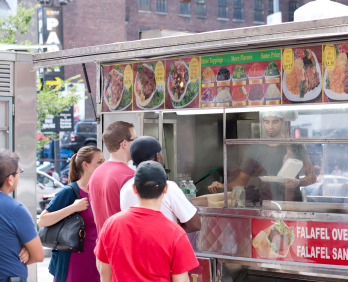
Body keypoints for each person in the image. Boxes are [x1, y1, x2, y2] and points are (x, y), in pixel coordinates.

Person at [95, 161, 199, 282]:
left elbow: (103, 270)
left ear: (134, 188)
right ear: (165, 188)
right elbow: (181, 280)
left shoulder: (111, 224)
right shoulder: (176, 233)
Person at [208, 112, 316, 202]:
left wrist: (297, 182)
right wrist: (222, 186)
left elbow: (312, 177)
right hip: (267, 206)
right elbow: (241, 180)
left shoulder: (295, 146)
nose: (270, 127)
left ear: (282, 121)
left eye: (275, 121)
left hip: (293, 205)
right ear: (262, 122)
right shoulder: (255, 149)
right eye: (267, 122)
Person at [38, 146, 104, 282]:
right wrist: (73, 208)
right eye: (99, 162)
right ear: (85, 165)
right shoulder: (69, 192)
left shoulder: (100, 190)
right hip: (73, 261)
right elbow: (42, 220)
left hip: (97, 259)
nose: (103, 166)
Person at [120, 136, 201, 233]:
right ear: (158, 157)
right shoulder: (169, 187)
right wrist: (173, 229)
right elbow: (195, 224)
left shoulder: (125, 188)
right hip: (164, 246)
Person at [0, 149, 45, 282]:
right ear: (10, 179)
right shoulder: (15, 209)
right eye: (19, 171)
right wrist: (23, 251)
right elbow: (38, 255)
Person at [87, 121, 137, 234]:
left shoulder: (95, 174)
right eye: (134, 140)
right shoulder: (129, 177)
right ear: (124, 144)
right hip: (123, 246)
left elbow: (96, 218)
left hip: (103, 245)